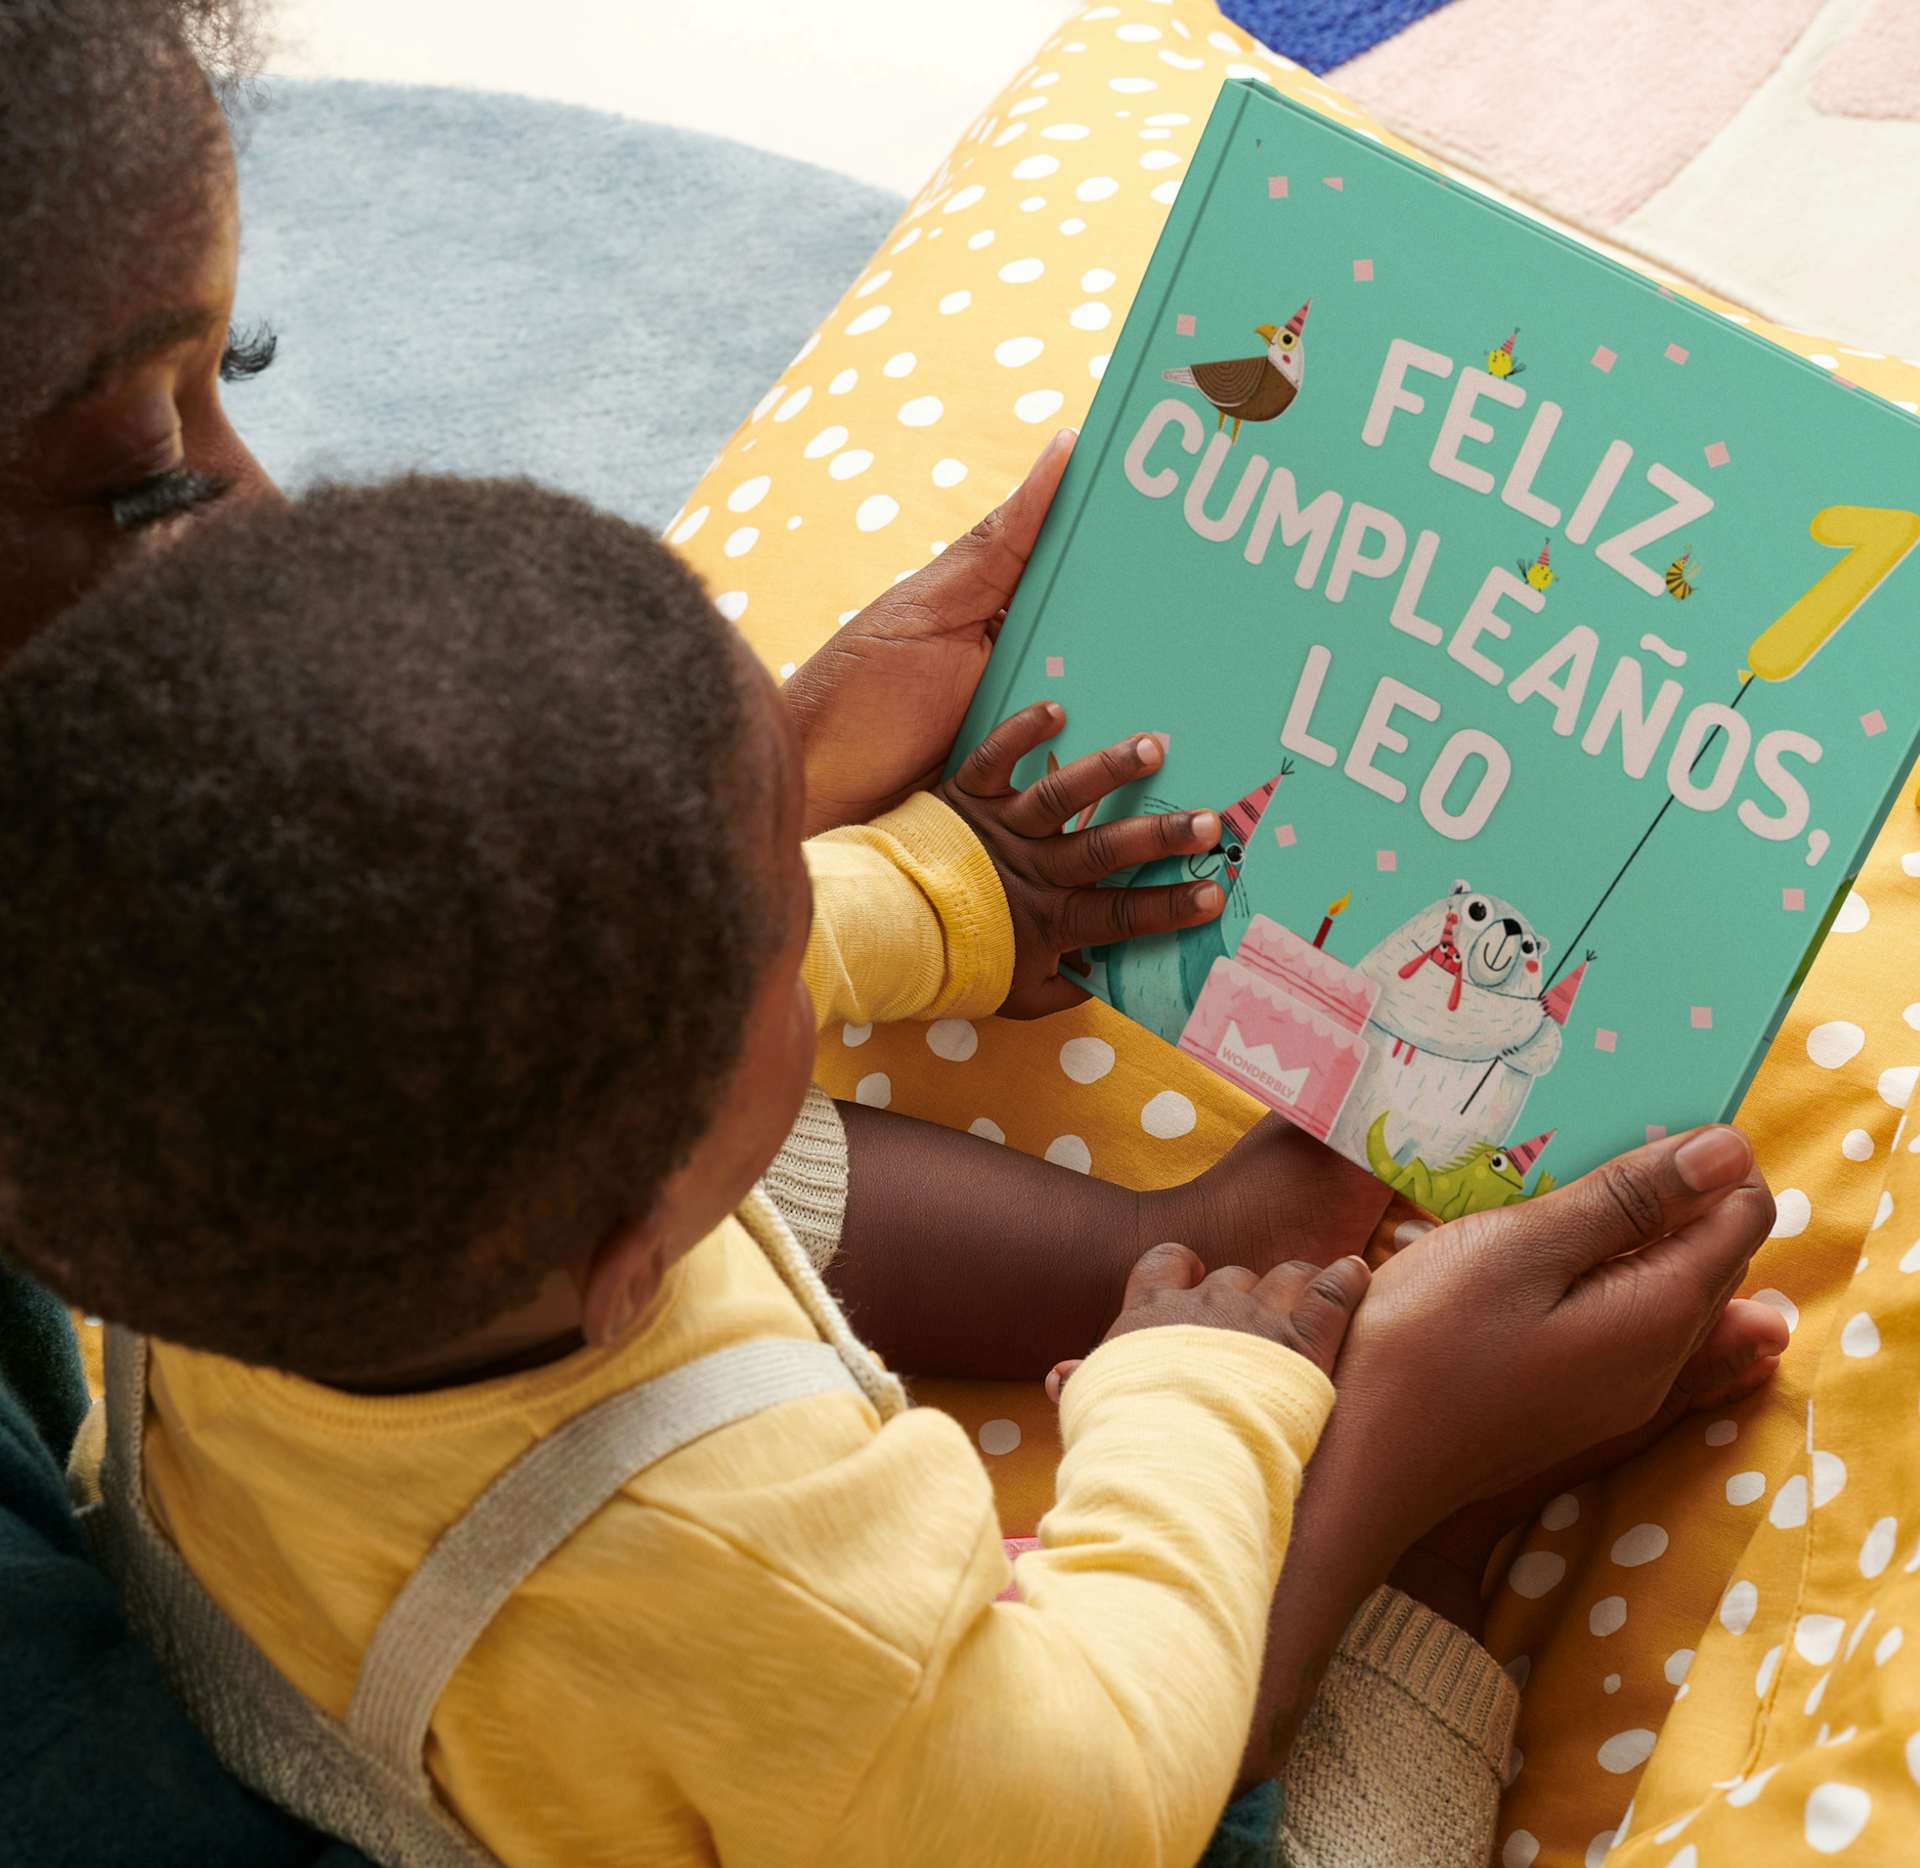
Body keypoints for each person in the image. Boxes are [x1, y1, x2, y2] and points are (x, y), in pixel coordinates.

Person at [0, 472, 1784, 1867]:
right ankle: (1443, 1490)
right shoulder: (774, 1577)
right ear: (635, 1258)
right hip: (992, 1795)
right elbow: (1103, 1803)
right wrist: (1204, 1410)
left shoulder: (214, 1142)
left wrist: (945, 897)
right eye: (788, 910)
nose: (815, 868)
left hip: (377, 1549)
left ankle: (1175, 1237)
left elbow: (644, 1000)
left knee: (616, 1131)